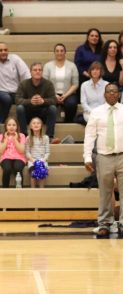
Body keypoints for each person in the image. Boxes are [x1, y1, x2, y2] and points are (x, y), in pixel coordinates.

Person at [84, 83, 123, 237]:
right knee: (105, 192)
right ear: (104, 95)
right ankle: (104, 223)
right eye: (109, 92)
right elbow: (89, 136)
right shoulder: (96, 112)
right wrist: (87, 156)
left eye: (115, 91)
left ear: (118, 95)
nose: (112, 94)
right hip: (104, 156)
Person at [0, 42, 31, 124]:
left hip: (15, 93)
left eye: (5, 50)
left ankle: (24, 125)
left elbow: (26, 74)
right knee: (6, 98)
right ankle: (1, 122)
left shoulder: (15, 59)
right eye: (0, 50)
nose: (3, 52)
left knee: (25, 101)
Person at [15, 62, 58, 143]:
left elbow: (53, 100)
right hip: (28, 113)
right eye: (35, 70)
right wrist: (30, 101)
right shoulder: (23, 84)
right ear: (30, 72)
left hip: (43, 113)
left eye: (40, 70)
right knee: (19, 108)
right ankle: (24, 136)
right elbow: (17, 100)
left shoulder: (48, 84)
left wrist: (43, 101)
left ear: (42, 72)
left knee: (53, 108)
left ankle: (49, 137)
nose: (37, 71)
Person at [43, 43, 79, 123]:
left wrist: (65, 96)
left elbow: (75, 84)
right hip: (52, 94)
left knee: (72, 104)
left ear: (65, 52)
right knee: (48, 104)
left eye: (62, 51)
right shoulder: (47, 66)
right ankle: (50, 123)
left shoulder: (72, 66)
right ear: (54, 53)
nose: (59, 53)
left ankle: (68, 122)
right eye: (57, 51)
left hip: (68, 93)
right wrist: (54, 95)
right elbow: (45, 84)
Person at [0, 116, 26, 188]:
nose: (11, 127)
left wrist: (16, 139)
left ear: (17, 126)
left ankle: (19, 188)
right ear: (6, 126)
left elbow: (21, 150)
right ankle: (5, 189)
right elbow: (1, 151)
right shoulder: (1, 136)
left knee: (18, 168)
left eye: (14, 125)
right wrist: (6, 139)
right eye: (9, 125)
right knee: (7, 169)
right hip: (6, 157)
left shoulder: (22, 136)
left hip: (19, 157)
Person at [25, 117, 49, 188]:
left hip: (42, 160)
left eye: (38, 123)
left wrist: (42, 161)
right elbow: (27, 152)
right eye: (34, 123)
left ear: (41, 125)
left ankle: (41, 191)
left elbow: (47, 152)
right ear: (31, 126)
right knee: (33, 173)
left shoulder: (45, 138)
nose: (36, 125)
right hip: (32, 161)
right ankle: (33, 190)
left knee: (41, 171)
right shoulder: (28, 138)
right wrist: (34, 161)